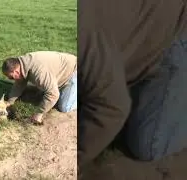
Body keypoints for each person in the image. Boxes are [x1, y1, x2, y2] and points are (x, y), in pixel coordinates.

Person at [78, 0, 187, 169]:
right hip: (143, 24)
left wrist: (75, 157)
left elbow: (111, 108)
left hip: (177, 28)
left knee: (149, 145)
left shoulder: (83, 26)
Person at [2, 51, 77, 124]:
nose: (12, 79)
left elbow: (53, 94)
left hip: (73, 71)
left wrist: (39, 114)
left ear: (16, 72)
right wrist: (10, 102)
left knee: (64, 107)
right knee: (44, 88)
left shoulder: (39, 73)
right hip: (63, 69)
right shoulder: (22, 64)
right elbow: (19, 83)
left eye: (11, 78)